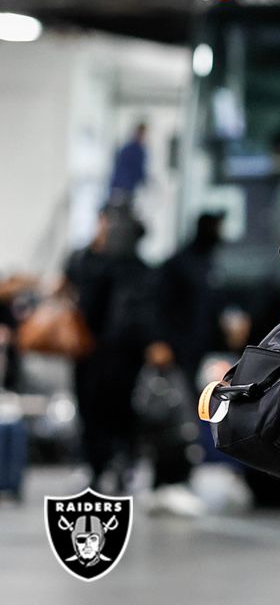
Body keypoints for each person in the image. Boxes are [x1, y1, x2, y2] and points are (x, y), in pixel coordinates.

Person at [145, 212, 231, 516]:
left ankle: (177, 481)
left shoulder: (210, 264)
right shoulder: (178, 263)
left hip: (198, 356)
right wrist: (159, 342)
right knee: (172, 420)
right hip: (174, 356)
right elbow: (157, 304)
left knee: (188, 423)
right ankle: (166, 484)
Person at [64, 204, 154, 493]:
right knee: (90, 410)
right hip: (88, 351)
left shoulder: (136, 267)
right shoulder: (84, 259)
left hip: (124, 355)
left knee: (122, 410)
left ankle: (121, 463)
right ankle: (95, 465)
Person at [108, 123, 148, 203]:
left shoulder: (127, 148)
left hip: (119, 186)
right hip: (124, 188)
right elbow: (138, 171)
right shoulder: (136, 150)